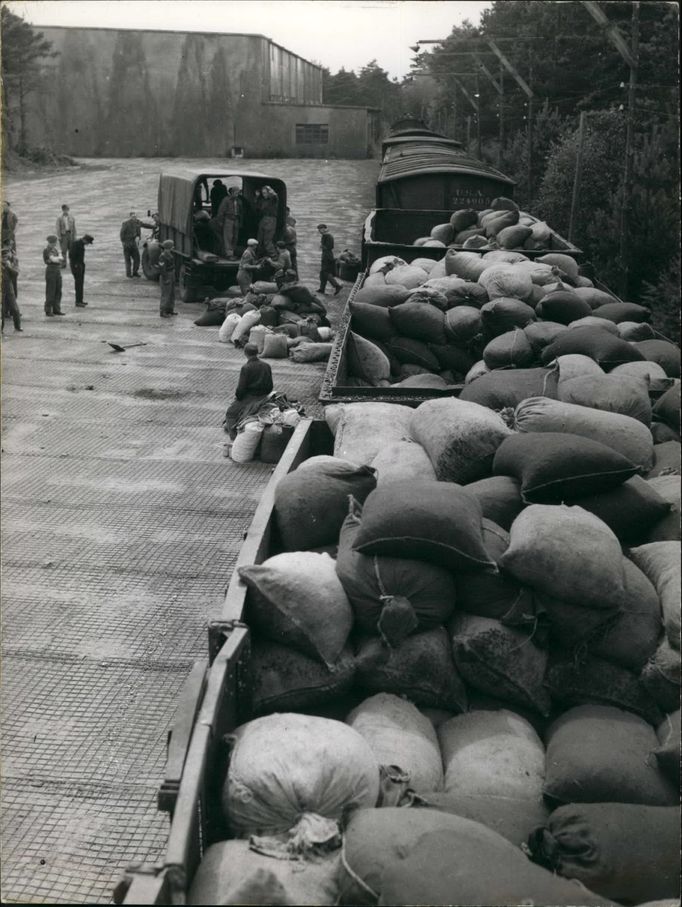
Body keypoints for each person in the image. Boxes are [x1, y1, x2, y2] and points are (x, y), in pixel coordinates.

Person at [223, 343, 274, 441]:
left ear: (245, 353)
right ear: (257, 352)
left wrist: (238, 398)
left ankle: (234, 439)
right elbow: (270, 386)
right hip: (264, 396)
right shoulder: (266, 366)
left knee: (230, 413)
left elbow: (241, 389)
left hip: (250, 397)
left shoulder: (246, 368)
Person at [68, 234, 94, 307]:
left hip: (80, 265)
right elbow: (71, 255)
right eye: (88, 243)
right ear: (85, 240)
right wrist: (76, 265)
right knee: (78, 284)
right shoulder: (76, 244)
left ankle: (80, 300)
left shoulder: (80, 244)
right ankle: (78, 301)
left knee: (80, 284)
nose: (88, 244)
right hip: (76, 267)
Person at [1, 244, 22, 332]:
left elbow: (16, 274)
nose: (5, 259)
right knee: (1, 309)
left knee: (14, 308)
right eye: (3, 257)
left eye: (6, 256)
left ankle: (17, 326)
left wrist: (8, 267)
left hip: (9, 287)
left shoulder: (12, 262)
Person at [317, 223, 342, 295]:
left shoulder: (326, 236)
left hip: (327, 256)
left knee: (325, 272)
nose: (319, 231)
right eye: (319, 229)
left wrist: (322, 246)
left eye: (320, 229)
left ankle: (337, 285)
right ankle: (322, 289)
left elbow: (329, 247)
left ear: (324, 228)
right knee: (322, 273)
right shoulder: (328, 235)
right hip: (328, 255)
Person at [43, 234, 65, 316]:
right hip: (51, 270)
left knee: (58, 291)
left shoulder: (55, 249)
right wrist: (58, 258)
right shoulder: (47, 250)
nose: (55, 244)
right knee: (50, 291)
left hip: (57, 270)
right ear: (50, 242)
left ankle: (56, 309)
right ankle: (48, 310)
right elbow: (54, 260)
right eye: (54, 242)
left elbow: (61, 258)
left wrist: (58, 258)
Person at [216, 187, 240, 259]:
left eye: (238, 192)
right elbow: (221, 211)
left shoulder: (238, 200)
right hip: (228, 219)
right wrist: (220, 222)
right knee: (228, 237)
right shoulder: (226, 200)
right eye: (236, 192)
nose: (237, 194)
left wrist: (240, 221)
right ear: (232, 192)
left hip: (236, 219)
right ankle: (229, 254)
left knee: (235, 237)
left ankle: (233, 252)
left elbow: (241, 212)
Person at [256, 185, 278, 257]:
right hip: (264, 219)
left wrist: (271, 191)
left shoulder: (273, 199)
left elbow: (275, 196)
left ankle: (273, 255)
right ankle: (258, 254)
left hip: (271, 219)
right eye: (263, 193)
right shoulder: (262, 200)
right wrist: (257, 197)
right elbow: (258, 208)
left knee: (267, 240)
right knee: (259, 238)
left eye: (265, 193)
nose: (264, 194)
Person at [158, 239, 177, 317]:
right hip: (166, 275)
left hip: (171, 274)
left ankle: (170, 309)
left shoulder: (169, 254)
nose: (173, 248)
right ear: (168, 247)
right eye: (172, 246)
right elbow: (162, 269)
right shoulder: (162, 256)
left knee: (171, 293)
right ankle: (163, 311)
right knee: (166, 294)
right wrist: (166, 279)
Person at [120, 211, 142, 278]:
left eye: (135, 217)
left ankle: (135, 272)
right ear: (130, 217)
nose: (134, 218)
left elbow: (145, 225)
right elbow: (122, 234)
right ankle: (129, 274)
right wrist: (124, 242)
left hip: (133, 243)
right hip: (127, 243)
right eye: (133, 217)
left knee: (137, 258)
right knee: (128, 260)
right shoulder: (125, 224)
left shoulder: (137, 223)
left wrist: (154, 227)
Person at [283, 210, 298, 276]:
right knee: (294, 264)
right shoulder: (293, 229)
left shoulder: (287, 230)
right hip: (293, 247)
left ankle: (289, 277)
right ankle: (295, 278)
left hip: (288, 247)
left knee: (288, 264)